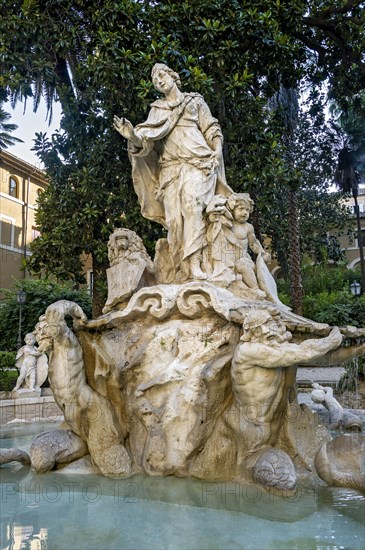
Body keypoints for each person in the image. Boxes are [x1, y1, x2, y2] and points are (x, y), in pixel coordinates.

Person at [114, 63, 233, 280]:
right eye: (154, 80)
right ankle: (182, 270)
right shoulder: (157, 110)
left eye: (161, 75)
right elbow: (146, 142)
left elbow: (211, 127)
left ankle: (196, 264)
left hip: (198, 162)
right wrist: (131, 136)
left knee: (193, 206)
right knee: (175, 222)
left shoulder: (194, 101)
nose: (159, 81)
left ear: (172, 76)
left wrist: (216, 149)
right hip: (170, 170)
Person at [230, 309, 343, 490]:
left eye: (269, 325)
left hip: (274, 428)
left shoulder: (271, 347)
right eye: (260, 329)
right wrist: (330, 341)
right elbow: (298, 354)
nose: (267, 331)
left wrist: (356, 347)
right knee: (283, 480)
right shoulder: (248, 351)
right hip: (254, 435)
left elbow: (305, 350)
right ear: (250, 333)